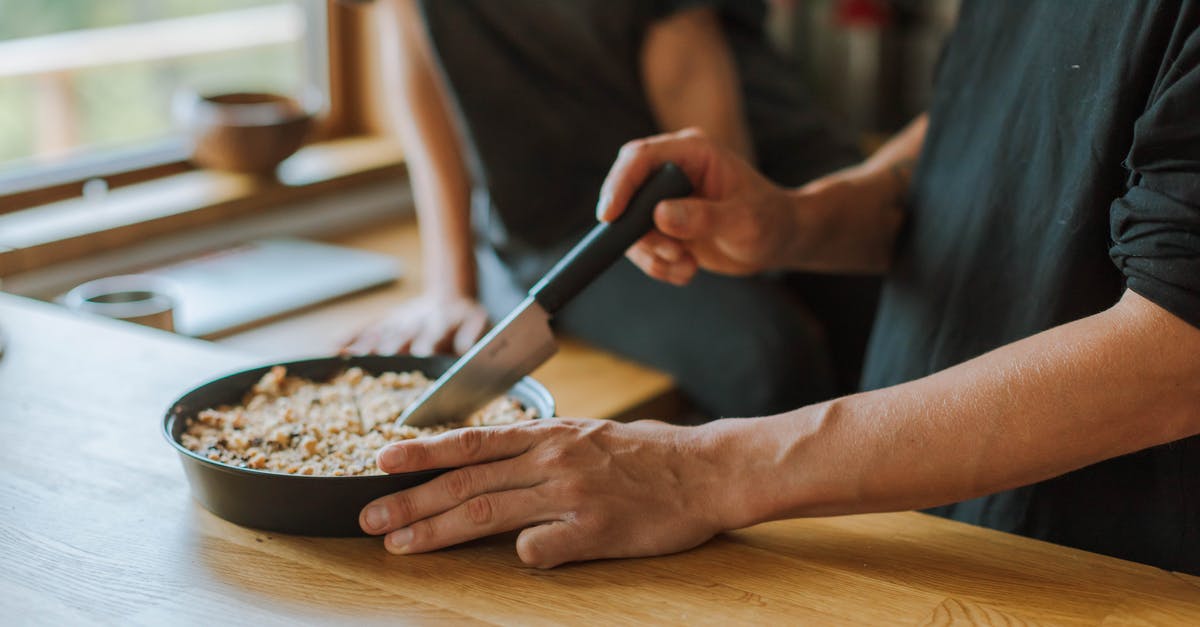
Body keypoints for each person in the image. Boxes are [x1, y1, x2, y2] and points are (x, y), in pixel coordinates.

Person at [355, 0, 1200, 573]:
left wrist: (700, 471)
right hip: (933, 533)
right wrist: (792, 222)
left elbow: (1176, 352)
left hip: (1107, 568)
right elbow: (985, 137)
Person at [343, 0, 874, 416]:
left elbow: (688, 73)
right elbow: (416, 50)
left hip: (744, 153)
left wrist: (737, 236)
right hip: (563, 215)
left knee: (881, 299)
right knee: (763, 357)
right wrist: (448, 287)